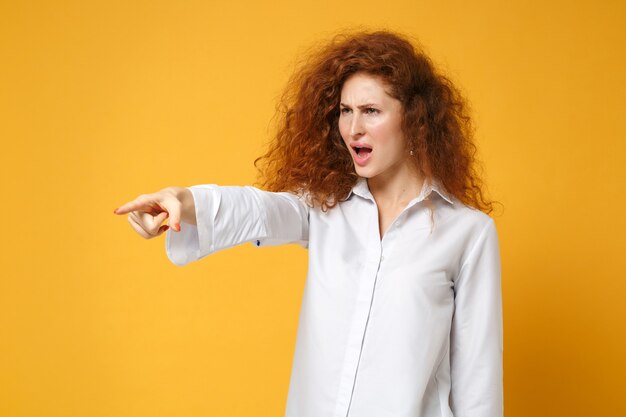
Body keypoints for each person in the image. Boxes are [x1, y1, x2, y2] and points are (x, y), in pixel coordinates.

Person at [113, 29, 503, 417]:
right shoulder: (326, 207)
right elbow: (260, 210)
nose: (353, 129)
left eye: (370, 111)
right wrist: (184, 200)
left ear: (414, 119)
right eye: (345, 111)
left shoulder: (468, 233)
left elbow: (478, 383)